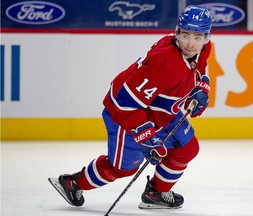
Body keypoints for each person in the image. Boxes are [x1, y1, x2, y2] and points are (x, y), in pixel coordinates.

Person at [50, 5, 212, 209]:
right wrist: (145, 135)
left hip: (160, 112)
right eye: (186, 35)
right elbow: (123, 101)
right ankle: (73, 184)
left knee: (187, 148)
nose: (190, 43)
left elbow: (201, 66)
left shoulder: (203, 48)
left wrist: (201, 87)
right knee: (122, 168)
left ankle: (156, 193)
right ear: (177, 32)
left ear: (207, 37)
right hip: (125, 117)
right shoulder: (164, 62)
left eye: (198, 37)